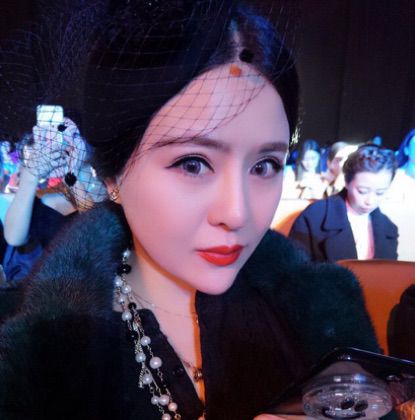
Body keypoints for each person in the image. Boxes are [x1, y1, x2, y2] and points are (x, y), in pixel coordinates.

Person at [0, 2, 381, 419]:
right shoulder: (41, 355)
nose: (237, 213)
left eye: (264, 166)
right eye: (193, 164)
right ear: (112, 176)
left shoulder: (325, 318)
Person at [2, 118, 106, 282]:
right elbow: (14, 238)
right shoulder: (40, 199)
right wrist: (30, 176)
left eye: (70, 135)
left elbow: (99, 236)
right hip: (36, 290)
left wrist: (74, 177)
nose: (60, 145)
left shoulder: (111, 194)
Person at [288, 144, 398, 263]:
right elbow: (294, 268)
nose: (370, 201)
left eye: (380, 193)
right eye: (362, 191)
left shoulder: (388, 228)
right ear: (346, 182)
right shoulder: (314, 217)